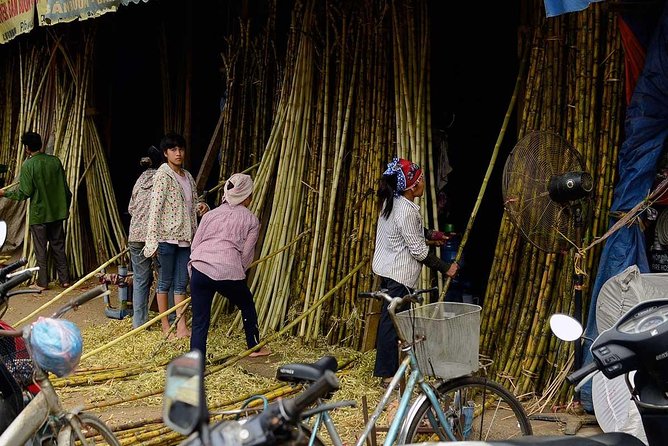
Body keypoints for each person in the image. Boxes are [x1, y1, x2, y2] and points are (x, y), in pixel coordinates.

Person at [371, 157, 458, 386]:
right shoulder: (406, 211)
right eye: (420, 180)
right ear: (411, 187)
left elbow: (409, 234)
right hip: (399, 274)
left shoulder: (394, 202)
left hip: (387, 268)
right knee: (394, 323)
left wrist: (432, 235)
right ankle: (387, 375)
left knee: (391, 321)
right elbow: (418, 252)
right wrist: (446, 267)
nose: (422, 183)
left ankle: (389, 371)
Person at [189, 173, 270, 360]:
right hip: (228, 270)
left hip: (200, 267)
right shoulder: (251, 220)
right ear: (247, 196)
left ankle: (196, 360)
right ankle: (254, 347)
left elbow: (196, 245)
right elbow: (247, 254)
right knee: (247, 303)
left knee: (200, 321)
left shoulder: (210, 215)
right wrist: (238, 271)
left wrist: (193, 270)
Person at [143, 133, 208, 338]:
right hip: (166, 237)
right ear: (165, 153)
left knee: (181, 283)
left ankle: (181, 327)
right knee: (165, 282)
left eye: (180, 149)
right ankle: (165, 327)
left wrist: (201, 207)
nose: (178, 153)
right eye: (173, 150)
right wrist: (151, 240)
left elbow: (192, 202)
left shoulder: (187, 176)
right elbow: (155, 207)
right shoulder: (162, 175)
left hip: (185, 237)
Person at [0, 132, 71, 290]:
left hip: (39, 215)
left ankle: (43, 283)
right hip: (57, 214)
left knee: (40, 250)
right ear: (41, 144)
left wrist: (5, 193)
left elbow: (24, 193)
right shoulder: (55, 162)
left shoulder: (28, 165)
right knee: (58, 247)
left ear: (26, 148)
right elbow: (67, 191)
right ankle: (65, 280)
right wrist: (64, 207)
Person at [128, 145, 175, 329]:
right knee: (166, 277)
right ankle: (170, 320)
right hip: (156, 236)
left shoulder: (140, 179)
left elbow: (132, 208)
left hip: (136, 235)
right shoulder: (165, 178)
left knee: (140, 279)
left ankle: (139, 323)